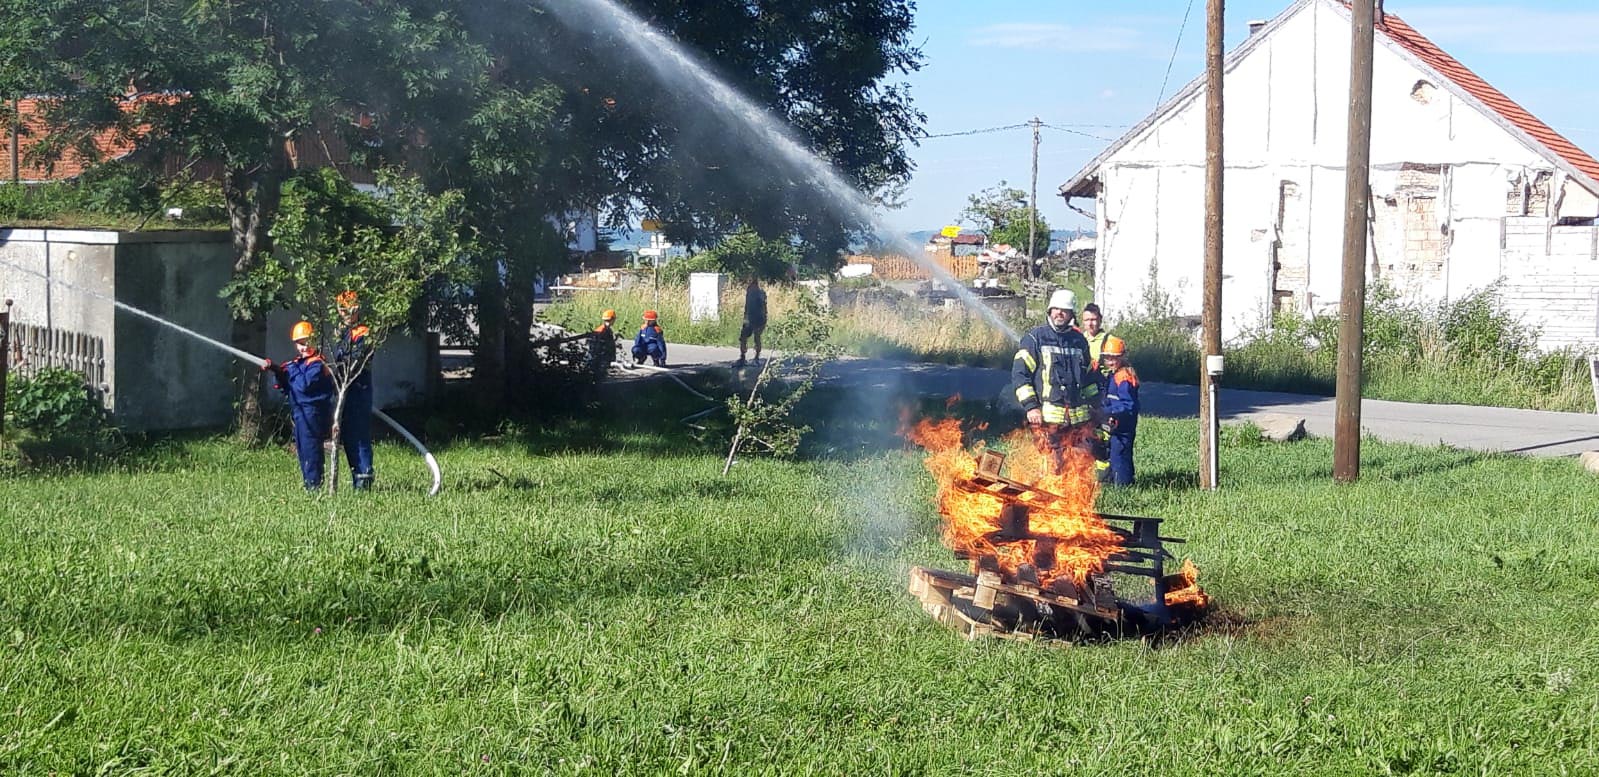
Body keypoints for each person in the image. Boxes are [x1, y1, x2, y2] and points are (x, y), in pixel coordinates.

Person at [1012, 289, 1100, 471]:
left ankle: (1075, 500)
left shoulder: (1079, 341)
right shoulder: (1035, 338)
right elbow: (1020, 375)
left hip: (1078, 420)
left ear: (1071, 314)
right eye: (1056, 309)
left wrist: (1097, 406)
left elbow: (1088, 378)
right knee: (1053, 467)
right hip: (1047, 418)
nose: (1059, 313)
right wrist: (1031, 406)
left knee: (1079, 466)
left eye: (1064, 310)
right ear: (1049, 310)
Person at [263, 321, 334, 491]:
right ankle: (309, 484)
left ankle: (314, 486)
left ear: (314, 341)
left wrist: (288, 369)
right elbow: (287, 387)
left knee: (311, 450)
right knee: (302, 450)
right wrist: (277, 372)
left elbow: (303, 385)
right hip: (300, 413)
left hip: (314, 414)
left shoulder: (318, 363)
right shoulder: (298, 364)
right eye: (300, 343)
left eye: (307, 342)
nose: (304, 347)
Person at [333, 290, 375, 490]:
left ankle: (364, 479)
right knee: (348, 435)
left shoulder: (364, 333)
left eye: (350, 309)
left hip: (358, 388)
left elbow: (357, 362)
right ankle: (356, 476)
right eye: (343, 309)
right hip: (343, 389)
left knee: (359, 434)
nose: (346, 313)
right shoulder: (341, 332)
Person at [1098, 335, 1140, 485]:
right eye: (1107, 358)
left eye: (1114, 358)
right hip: (1117, 423)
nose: (1110, 362)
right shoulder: (1113, 375)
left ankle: (1123, 486)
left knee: (1120, 455)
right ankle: (1116, 481)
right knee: (1114, 453)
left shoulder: (1124, 377)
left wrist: (1109, 412)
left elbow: (1128, 405)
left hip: (1124, 426)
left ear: (1122, 357)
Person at [734, 277, 767, 369]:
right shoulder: (749, 292)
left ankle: (756, 358)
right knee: (743, 337)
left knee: (757, 337)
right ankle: (742, 357)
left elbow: (763, 308)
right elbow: (747, 306)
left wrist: (762, 319)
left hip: (758, 318)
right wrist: (745, 317)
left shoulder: (760, 293)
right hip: (750, 318)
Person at [1080, 302, 1111, 372]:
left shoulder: (1109, 340)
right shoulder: (1079, 339)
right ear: (1083, 321)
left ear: (1100, 320)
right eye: (1087, 320)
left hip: (1103, 381)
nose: (1090, 324)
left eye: (1093, 320)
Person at [591, 308, 618, 377]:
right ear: (612, 319)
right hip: (603, 356)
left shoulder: (606, 329)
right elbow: (599, 346)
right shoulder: (602, 330)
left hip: (605, 356)